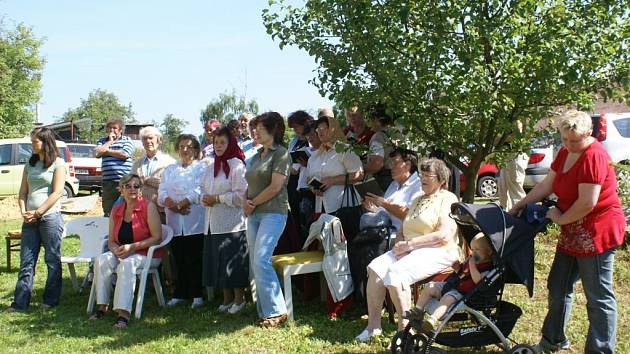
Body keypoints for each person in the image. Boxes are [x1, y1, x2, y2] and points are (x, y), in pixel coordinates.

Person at [509, 110, 626, 354]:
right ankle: (553, 340)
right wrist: (518, 205)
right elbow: (546, 185)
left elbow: (586, 203)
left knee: (598, 297)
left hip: (597, 231)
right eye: (565, 139)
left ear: (589, 133)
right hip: (572, 229)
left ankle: (600, 350)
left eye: (575, 140)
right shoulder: (564, 153)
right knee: (557, 286)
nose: (570, 145)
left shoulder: (594, 156)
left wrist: (560, 218)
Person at [356, 158, 462, 342]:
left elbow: (444, 235)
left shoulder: (448, 199)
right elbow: (403, 228)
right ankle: (373, 327)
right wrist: (400, 244)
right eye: (422, 174)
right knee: (375, 268)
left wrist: (411, 245)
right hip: (411, 249)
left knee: (396, 274)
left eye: (428, 175)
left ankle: (406, 331)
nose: (423, 178)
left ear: (441, 180)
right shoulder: (418, 199)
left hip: (439, 250)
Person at [90, 174, 163, 328]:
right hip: (123, 252)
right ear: (121, 190)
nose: (132, 189)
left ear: (141, 190)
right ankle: (102, 306)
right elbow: (111, 240)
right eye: (128, 186)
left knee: (127, 264)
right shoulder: (116, 210)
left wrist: (132, 247)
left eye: (136, 186)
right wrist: (115, 249)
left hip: (147, 254)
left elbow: (157, 238)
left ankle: (123, 313)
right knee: (102, 260)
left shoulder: (148, 207)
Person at [7, 127, 66, 312]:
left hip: (49, 218)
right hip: (30, 220)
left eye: (35, 141)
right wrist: (25, 212)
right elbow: (23, 192)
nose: (32, 144)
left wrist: (38, 212)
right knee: (26, 262)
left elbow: (57, 192)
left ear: (45, 142)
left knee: (52, 259)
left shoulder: (58, 163)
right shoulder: (29, 165)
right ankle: (19, 303)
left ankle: (49, 301)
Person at [243, 112, 291, 328]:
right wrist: (246, 200)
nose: (255, 132)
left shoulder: (281, 154)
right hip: (253, 215)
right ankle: (265, 311)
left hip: (273, 212)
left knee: (262, 259)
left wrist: (251, 203)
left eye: (260, 128)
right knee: (256, 261)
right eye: (254, 128)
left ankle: (277, 312)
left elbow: (275, 187)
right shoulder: (254, 156)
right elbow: (249, 185)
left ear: (273, 130)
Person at [200, 128, 249, 314]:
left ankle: (239, 299)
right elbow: (200, 187)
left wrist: (217, 199)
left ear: (230, 144)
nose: (218, 146)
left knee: (232, 261)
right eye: (216, 142)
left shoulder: (236, 165)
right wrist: (203, 197)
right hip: (212, 222)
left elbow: (239, 196)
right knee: (219, 261)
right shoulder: (211, 165)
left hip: (231, 223)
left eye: (222, 142)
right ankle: (227, 299)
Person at [158, 134, 206, 309]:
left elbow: (200, 188)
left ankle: (197, 294)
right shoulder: (170, 169)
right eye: (181, 146)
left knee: (194, 258)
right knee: (178, 258)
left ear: (195, 149)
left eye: (189, 146)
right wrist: (171, 204)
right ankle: (181, 293)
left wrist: (184, 202)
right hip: (175, 221)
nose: (185, 150)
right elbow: (161, 191)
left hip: (194, 219)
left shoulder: (201, 168)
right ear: (177, 149)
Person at [416, 232, 493, 332]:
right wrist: (458, 269)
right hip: (453, 285)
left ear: (489, 252)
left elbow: (478, 281)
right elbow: (463, 275)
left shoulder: (487, 268)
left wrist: (472, 265)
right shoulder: (471, 260)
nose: (473, 253)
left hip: (463, 293)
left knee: (446, 299)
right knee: (430, 286)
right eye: (472, 249)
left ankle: (432, 320)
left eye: (477, 250)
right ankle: (417, 311)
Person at [307, 115, 364, 215]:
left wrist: (332, 180)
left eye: (323, 128)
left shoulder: (344, 149)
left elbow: (359, 175)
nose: (319, 132)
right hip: (321, 207)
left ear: (333, 129)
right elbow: (309, 178)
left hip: (346, 208)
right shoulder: (314, 156)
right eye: (317, 129)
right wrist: (314, 189)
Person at [362, 148, 423, 233]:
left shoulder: (419, 186)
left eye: (395, 163)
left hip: (404, 236)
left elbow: (410, 216)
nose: (391, 167)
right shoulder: (394, 184)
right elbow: (386, 213)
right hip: (385, 232)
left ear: (407, 165)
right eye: (391, 163)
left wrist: (384, 204)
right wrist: (373, 208)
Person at [130, 126, 176, 224]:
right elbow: (131, 184)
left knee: (163, 237)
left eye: (151, 138)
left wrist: (145, 181)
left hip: (162, 212)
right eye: (145, 139)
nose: (148, 141)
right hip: (140, 211)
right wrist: (145, 181)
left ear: (159, 140)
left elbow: (173, 186)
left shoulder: (170, 163)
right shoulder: (137, 164)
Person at [95, 118, 134, 216]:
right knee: (109, 210)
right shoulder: (102, 141)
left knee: (126, 208)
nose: (111, 130)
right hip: (108, 183)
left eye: (114, 128)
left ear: (120, 130)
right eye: (109, 128)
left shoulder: (127, 140)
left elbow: (125, 154)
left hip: (124, 181)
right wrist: (110, 142)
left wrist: (106, 151)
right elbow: (97, 153)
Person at [286, 110, 314, 230]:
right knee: (296, 218)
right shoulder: (293, 142)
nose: (295, 130)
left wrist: (307, 163)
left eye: (297, 127)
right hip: (293, 184)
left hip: (309, 186)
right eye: (293, 128)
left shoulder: (314, 139)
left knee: (309, 217)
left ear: (306, 122)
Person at [498, 120, 529, 211]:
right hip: (506, 156)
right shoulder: (504, 119)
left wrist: (501, 139)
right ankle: (505, 215)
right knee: (503, 189)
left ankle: (521, 217)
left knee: (516, 192)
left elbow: (518, 136)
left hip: (515, 156)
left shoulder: (517, 119)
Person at [364, 105, 396, 191]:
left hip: (384, 186)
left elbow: (376, 165)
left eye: (369, 118)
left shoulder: (378, 137)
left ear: (377, 120)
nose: (367, 122)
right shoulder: (398, 134)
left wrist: (360, 166)